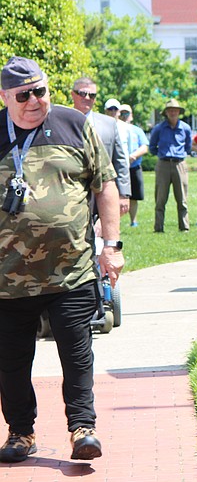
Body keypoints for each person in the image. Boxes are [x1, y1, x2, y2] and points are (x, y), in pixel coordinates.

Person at [0, 56, 124, 462]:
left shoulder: (73, 123)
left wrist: (112, 245)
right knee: (11, 363)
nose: (36, 100)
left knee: (76, 353)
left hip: (71, 272)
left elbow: (104, 184)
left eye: (41, 90)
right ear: (5, 97)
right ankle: (20, 432)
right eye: (24, 95)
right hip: (7, 279)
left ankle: (82, 428)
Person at [71, 78, 130, 215]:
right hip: (70, 193)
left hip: (102, 191)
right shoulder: (62, 121)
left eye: (92, 95)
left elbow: (120, 160)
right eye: (82, 93)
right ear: (73, 94)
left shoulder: (109, 124)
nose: (87, 98)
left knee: (104, 234)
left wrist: (124, 194)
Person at [149, 98, 192, 232]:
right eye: (170, 110)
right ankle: (159, 227)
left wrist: (181, 155)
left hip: (179, 163)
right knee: (160, 198)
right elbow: (152, 147)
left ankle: (184, 227)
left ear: (179, 112)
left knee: (182, 198)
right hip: (163, 164)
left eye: (175, 110)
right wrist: (162, 155)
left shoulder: (185, 128)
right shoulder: (159, 128)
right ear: (166, 113)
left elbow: (188, 146)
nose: (173, 113)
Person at [120, 104, 148, 227]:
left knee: (134, 196)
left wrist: (133, 156)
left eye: (127, 113)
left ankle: (133, 221)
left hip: (134, 166)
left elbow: (144, 147)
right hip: (119, 168)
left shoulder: (137, 130)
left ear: (131, 115)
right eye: (122, 113)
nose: (124, 116)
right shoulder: (115, 128)